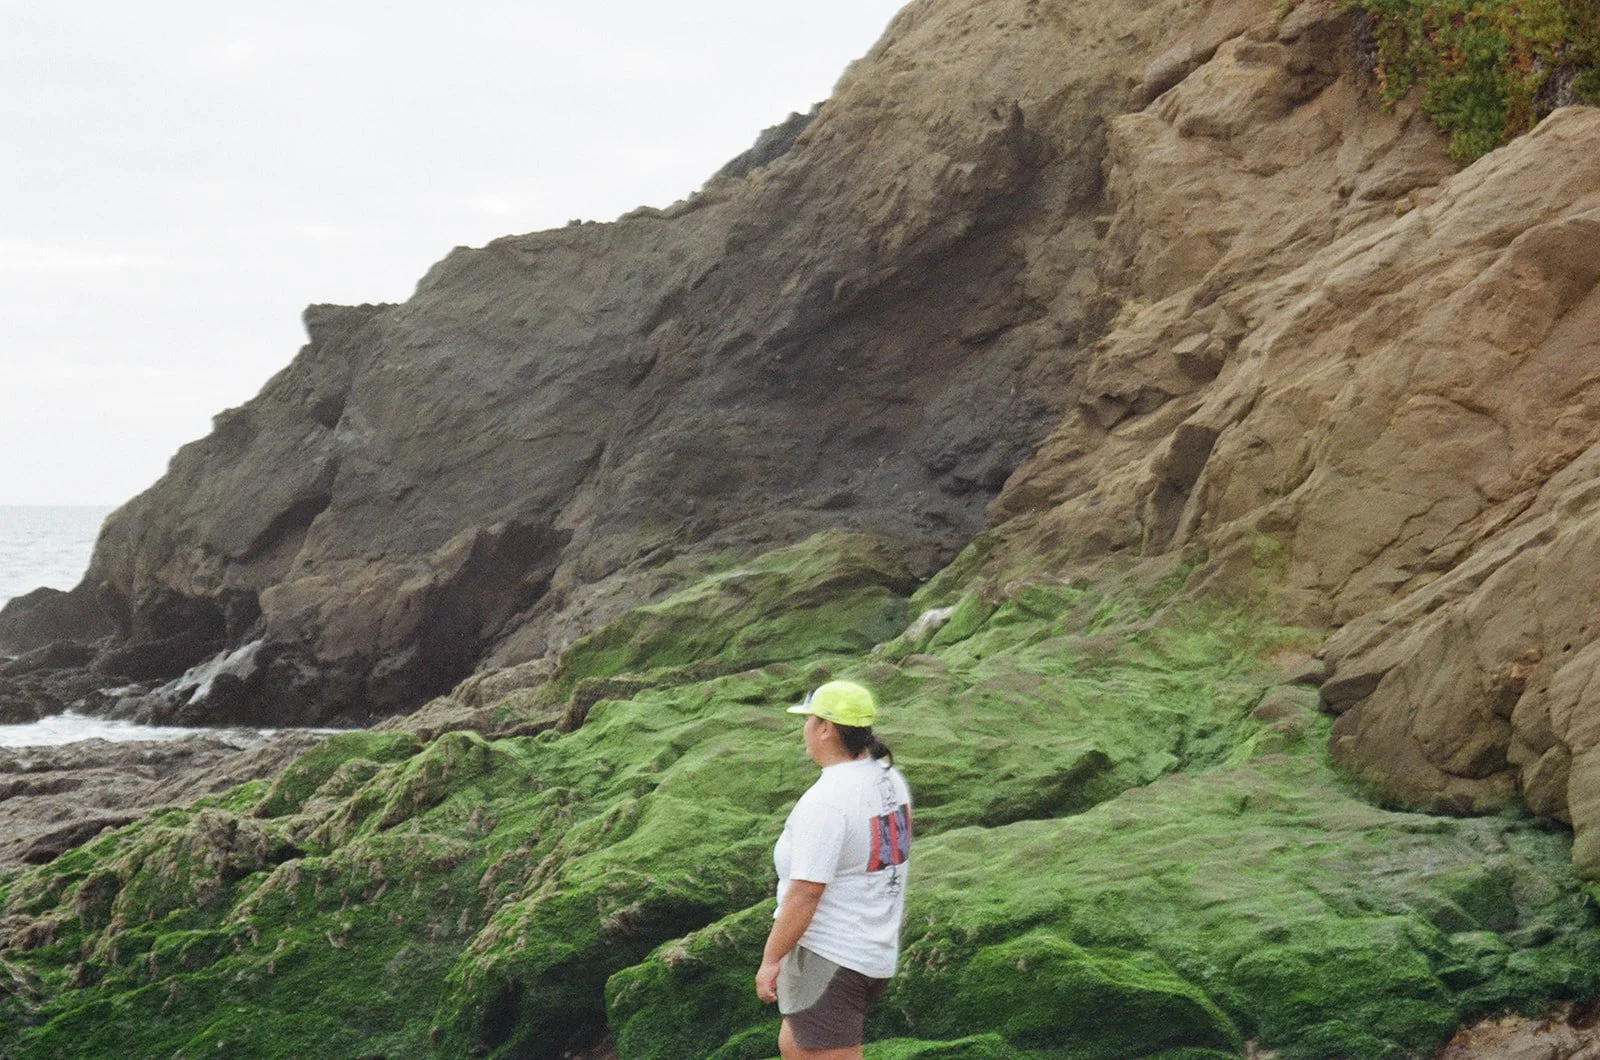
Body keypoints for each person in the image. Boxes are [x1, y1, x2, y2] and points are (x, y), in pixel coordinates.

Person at [755, 680, 913, 1060]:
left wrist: (771, 958)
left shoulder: (826, 802)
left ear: (826, 728)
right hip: (874, 948)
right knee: (795, 1041)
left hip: (829, 957)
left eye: (809, 720)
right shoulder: (889, 779)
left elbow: (806, 892)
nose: (805, 730)